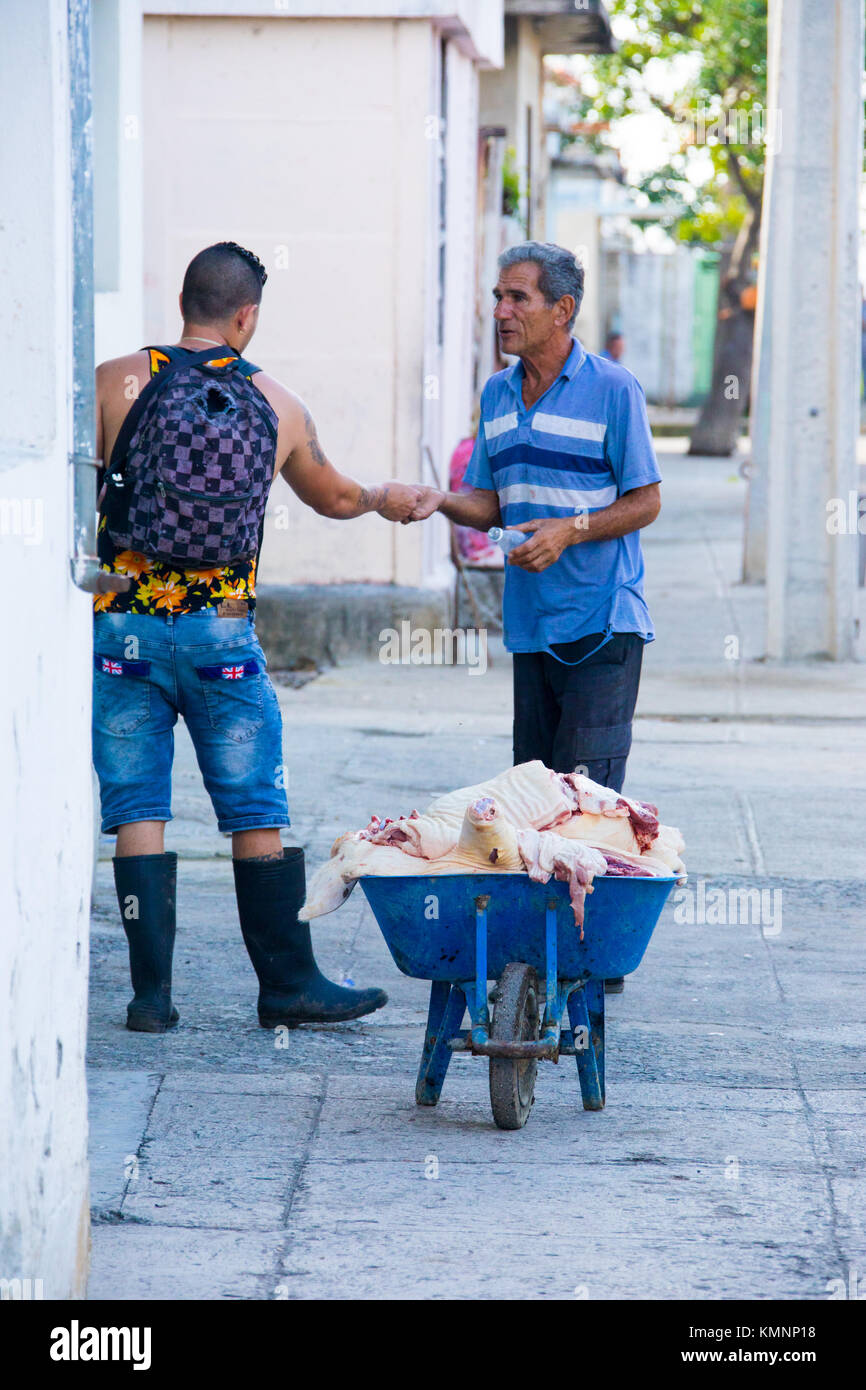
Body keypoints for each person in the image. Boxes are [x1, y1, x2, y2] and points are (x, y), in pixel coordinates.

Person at [94, 241, 421, 1033]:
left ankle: (150, 998)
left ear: (183, 303)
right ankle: (287, 984)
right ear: (246, 315)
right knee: (252, 806)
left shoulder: (112, 383)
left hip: (124, 632)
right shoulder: (277, 403)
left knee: (138, 806)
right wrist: (385, 497)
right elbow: (335, 497)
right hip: (223, 641)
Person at [409, 243, 661, 987]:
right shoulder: (496, 395)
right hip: (531, 626)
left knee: (589, 797)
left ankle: (593, 959)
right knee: (536, 792)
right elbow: (491, 502)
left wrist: (570, 529)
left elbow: (645, 499)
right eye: (497, 297)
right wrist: (437, 501)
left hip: (603, 622)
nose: (501, 312)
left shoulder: (614, 390)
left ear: (563, 310)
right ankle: (550, 942)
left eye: (517, 298)